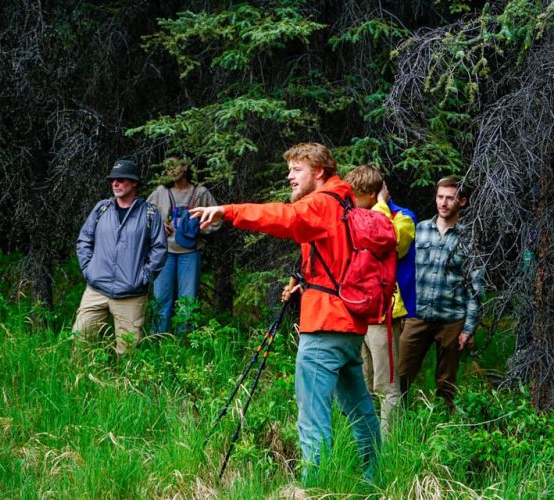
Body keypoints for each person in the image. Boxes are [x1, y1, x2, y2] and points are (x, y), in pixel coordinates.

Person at [191, 143, 380, 481]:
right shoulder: (344, 201)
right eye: (290, 169)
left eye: (297, 169)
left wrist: (229, 211)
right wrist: (304, 282)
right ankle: (374, 477)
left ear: (318, 172)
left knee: (312, 415)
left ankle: (315, 484)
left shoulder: (322, 203)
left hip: (324, 327)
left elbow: (284, 217)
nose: (289, 176)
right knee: (360, 409)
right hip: (349, 326)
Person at [399, 175, 482, 412]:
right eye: (440, 197)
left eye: (450, 198)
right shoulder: (419, 230)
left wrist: (468, 328)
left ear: (462, 201)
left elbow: (475, 287)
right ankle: (397, 424)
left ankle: (445, 425)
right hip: (418, 315)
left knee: (446, 382)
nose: (443, 203)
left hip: (451, 319)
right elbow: (404, 273)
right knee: (401, 374)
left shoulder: (469, 238)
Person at [345, 165, 417, 433]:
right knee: (362, 382)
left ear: (374, 195)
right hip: (357, 311)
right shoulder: (354, 215)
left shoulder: (403, 218)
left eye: (358, 197)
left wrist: (380, 207)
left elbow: (388, 243)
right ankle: (364, 441)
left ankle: (388, 449)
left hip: (384, 311)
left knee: (386, 385)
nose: (352, 203)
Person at [73, 159, 167, 354]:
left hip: (130, 293)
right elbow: (84, 240)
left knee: (128, 351)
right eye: (113, 180)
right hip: (96, 289)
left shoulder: (150, 214)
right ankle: (81, 382)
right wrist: (89, 270)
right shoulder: (102, 209)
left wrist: (143, 278)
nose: (115, 183)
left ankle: (123, 384)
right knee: (81, 341)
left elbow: (159, 249)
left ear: (134, 183)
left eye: (121, 179)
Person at [147, 156, 221, 335]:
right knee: (161, 299)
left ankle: (186, 343)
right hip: (165, 252)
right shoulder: (160, 192)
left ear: (185, 166)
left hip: (190, 252)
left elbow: (217, 219)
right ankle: (157, 339)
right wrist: (157, 226)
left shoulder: (200, 193)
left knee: (188, 300)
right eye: (167, 167)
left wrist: (198, 229)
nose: (170, 170)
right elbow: (144, 216)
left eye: (174, 166)